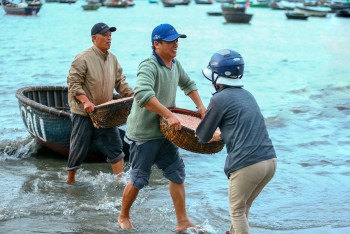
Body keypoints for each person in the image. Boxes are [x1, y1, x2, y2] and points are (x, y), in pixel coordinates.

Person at [117, 23, 206, 233]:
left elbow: (188, 84)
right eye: (171, 41)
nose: (176, 44)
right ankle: (123, 215)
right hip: (144, 133)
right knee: (138, 179)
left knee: (177, 173)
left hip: (167, 131)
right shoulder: (149, 65)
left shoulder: (175, 64)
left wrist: (201, 107)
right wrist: (168, 114)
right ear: (156, 44)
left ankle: (182, 221)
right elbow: (142, 95)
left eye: (177, 40)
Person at [195, 49, 277, 234]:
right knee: (244, 206)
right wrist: (223, 135)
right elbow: (243, 127)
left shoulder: (219, 99)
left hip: (247, 164)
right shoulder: (247, 95)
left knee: (236, 211)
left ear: (218, 77)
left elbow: (202, 136)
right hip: (270, 161)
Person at [66, 22, 134, 184]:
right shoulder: (82, 58)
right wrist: (86, 102)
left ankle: (120, 183)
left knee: (116, 147)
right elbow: (73, 83)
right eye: (105, 35)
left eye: (110, 36)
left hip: (105, 112)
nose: (109, 39)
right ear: (94, 38)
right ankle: (70, 181)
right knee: (78, 148)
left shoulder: (113, 59)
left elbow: (120, 82)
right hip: (84, 112)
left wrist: (132, 94)